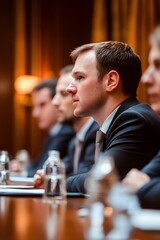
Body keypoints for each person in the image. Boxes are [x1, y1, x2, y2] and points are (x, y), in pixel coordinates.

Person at [34, 41, 160, 194]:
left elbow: (98, 178)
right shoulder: (118, 120)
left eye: (80, 77)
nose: (70, 88)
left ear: (111, 81)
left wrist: (55, 181)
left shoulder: (134, 119)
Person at [34, 65, 98, 185]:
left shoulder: (97, 133)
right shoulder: (75, 139)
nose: (55, 102)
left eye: (63, 94)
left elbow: (88, 178)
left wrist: (54, 180)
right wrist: (47, 176)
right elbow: (65, 172)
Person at [123, 26, 160, 209]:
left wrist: (145, 188)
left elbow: (140, 184)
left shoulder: (135, 117)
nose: (145, 79)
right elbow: (133, 181)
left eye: (158, 66)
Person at [26, 78, 75, 177]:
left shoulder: (66, 132)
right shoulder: (53, 133)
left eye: (42, 105)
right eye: (34, 106)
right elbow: (38, 165)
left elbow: (40, 170)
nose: (35, 114)